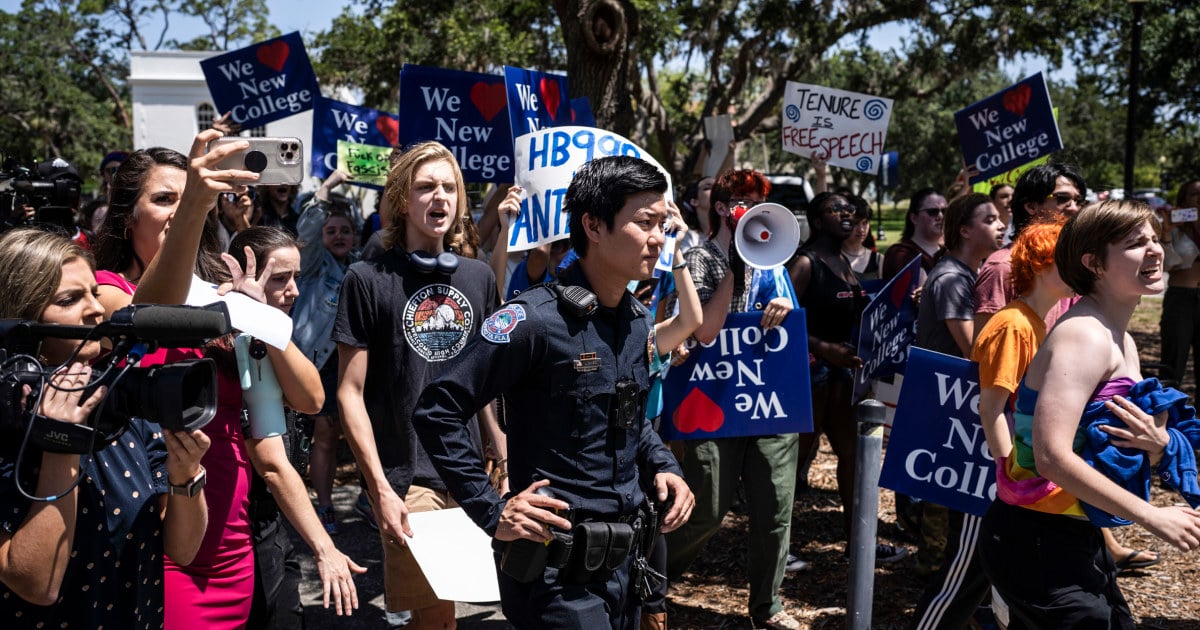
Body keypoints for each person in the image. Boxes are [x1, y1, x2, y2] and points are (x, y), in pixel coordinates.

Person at [411, 155, 695, 628]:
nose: (657, 239)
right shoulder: (531, 320)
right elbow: (438, 409)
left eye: (662, 225)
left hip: (626, 572)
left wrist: (665, 467)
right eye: (645, 223)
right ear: (594, 225)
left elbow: (630, 419)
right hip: (555, 582)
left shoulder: (637, 319)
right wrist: (492, 508)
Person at [92, 131, 325, 628]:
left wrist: (254, 316)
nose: (179, 210)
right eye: (163, 199)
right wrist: (197, 204)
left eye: (188, 197)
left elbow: (308, 398)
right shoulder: (106, 292)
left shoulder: (220, 297)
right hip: (159, 533)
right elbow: (151, 316)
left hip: (231, 537)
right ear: (127, 215)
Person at [979, 200, 1200, 628]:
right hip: (1035, 539)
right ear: (1093, 263)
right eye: (1136, 243)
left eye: (1155, 237)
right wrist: (1152, 516)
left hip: (1073, 534)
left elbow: (1101, 435)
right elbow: (1051, 456)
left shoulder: (1121, 338)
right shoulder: (1084, 336)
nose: (1155, 248)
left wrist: (1160, 446)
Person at [0, 227, 210, 628]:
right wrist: (61, 444)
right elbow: (38, 584)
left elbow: (183, 551)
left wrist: (186, 476)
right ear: (19, 319)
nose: (97, 310)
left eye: (94, 292)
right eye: (69, 299)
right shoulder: (7, 426)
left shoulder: (123, 403)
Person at [334, 141, 503, 629]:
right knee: (437, 618)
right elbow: (348, 392)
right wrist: (380, 487)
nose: (441, 197)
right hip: (408, 478)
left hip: (470, 474)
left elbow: (488, 379)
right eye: (427, 186)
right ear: (402, 198)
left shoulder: (477, 278)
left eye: (449, 188)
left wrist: (502, 453)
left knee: (440, 615)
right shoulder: (365, 279)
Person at [664, 168, 801, 630]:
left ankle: (768, 606)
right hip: (714, 400)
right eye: (743, 199)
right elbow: (703, 329)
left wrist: (785, 309)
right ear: (722, 209)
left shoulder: (772, 259)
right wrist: (736, 268)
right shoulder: (698, 258)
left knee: (775, 507)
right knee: (705, 506)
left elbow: (789, 323)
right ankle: (653, 580)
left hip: (769, 403)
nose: (751, 208)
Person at [224, 227, 367, 627]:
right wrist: (324, 548)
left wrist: (262, 320)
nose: (294, 292)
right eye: (280, 279)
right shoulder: (228, 339)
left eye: (296, 278)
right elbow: (269, 460)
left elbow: (312, 399)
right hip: (235, 526)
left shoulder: (264, 330)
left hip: (269, 521)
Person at [790, 192, 905, 567]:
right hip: (808, 374)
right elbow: (781, 322)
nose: (846, 215)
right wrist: (825, 348)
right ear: (817, 219)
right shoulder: (805, 262)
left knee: (854, 458)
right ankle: (778, 550)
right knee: (794, 462)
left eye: (849, 210)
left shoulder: (842, 259)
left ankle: (860, 543)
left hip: (843, 375)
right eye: (834, 210)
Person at [906, 193, 1004, 629]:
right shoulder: (951, 279)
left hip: (958, 410)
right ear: (966, 230)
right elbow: (977, 351)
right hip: (944, 413)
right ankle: (942, 604)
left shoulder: (966, 274)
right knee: (947, 521)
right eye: (990, 219)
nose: (1001, 225)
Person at [973, 163, 1087, 334]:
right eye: (1062, 198)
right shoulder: (1003, 266)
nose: (1073, 208)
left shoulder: (1072, 265)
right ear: (1031, 206)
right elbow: (985, 351)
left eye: (1078, 201)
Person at [1158, 179, 1200, 392]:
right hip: (1180, 298)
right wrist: (1167, 232)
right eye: (1196, 194)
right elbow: (1164, 266)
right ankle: (1167, 415)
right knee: (1173, 362)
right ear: (1184, 200)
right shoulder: (1175, 229)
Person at [881, 188, 946, 280]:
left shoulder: (949, 253)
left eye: (945, 211)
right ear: (914, 218)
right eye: (933, 212)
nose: (941, 216)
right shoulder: (900, 254)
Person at [842, 198, 884, 282]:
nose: (861, 229)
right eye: (856, 223)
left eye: (865, 223)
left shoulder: (878, 259)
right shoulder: (832, 257)